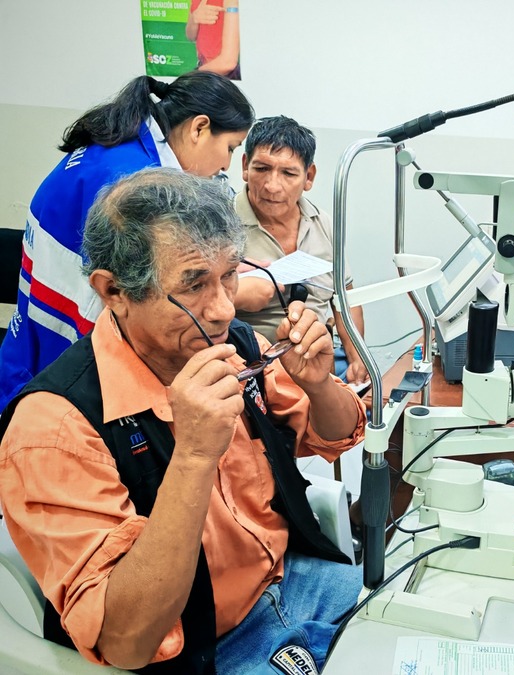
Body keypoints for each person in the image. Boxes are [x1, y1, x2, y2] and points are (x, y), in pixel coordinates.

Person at [0, 168, 366, 673]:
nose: (221, 309)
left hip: (301, 578)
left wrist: (320, 384)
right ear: (113, 292)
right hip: (208, 645)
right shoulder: (54, 430)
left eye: (230, 275)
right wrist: (193, 456)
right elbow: (127, 640)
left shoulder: (235, 345)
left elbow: (333, 437)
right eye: (193, 285)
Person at [0, 70, 254, 413]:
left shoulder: (117, 147)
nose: (226, 164)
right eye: (230, 148)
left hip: (32, 343)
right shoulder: (137, 186)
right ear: (199, 128)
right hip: (66, 372)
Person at [233, 115, 369, 385]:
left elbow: (345, 300)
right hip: (253, 378)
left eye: (288, 173)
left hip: (319, 372)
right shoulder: (219, 226)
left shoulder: (324, 224)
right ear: (246, 166)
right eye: (261, 169)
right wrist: (235, 293)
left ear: (309, 177)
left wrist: (358, 358)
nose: (272, 186)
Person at [185, 0, 241, 79]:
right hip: (204, 67)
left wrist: (194, 77)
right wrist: (194, 18)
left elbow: (227, 63)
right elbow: (190, 36)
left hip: (225, 76)